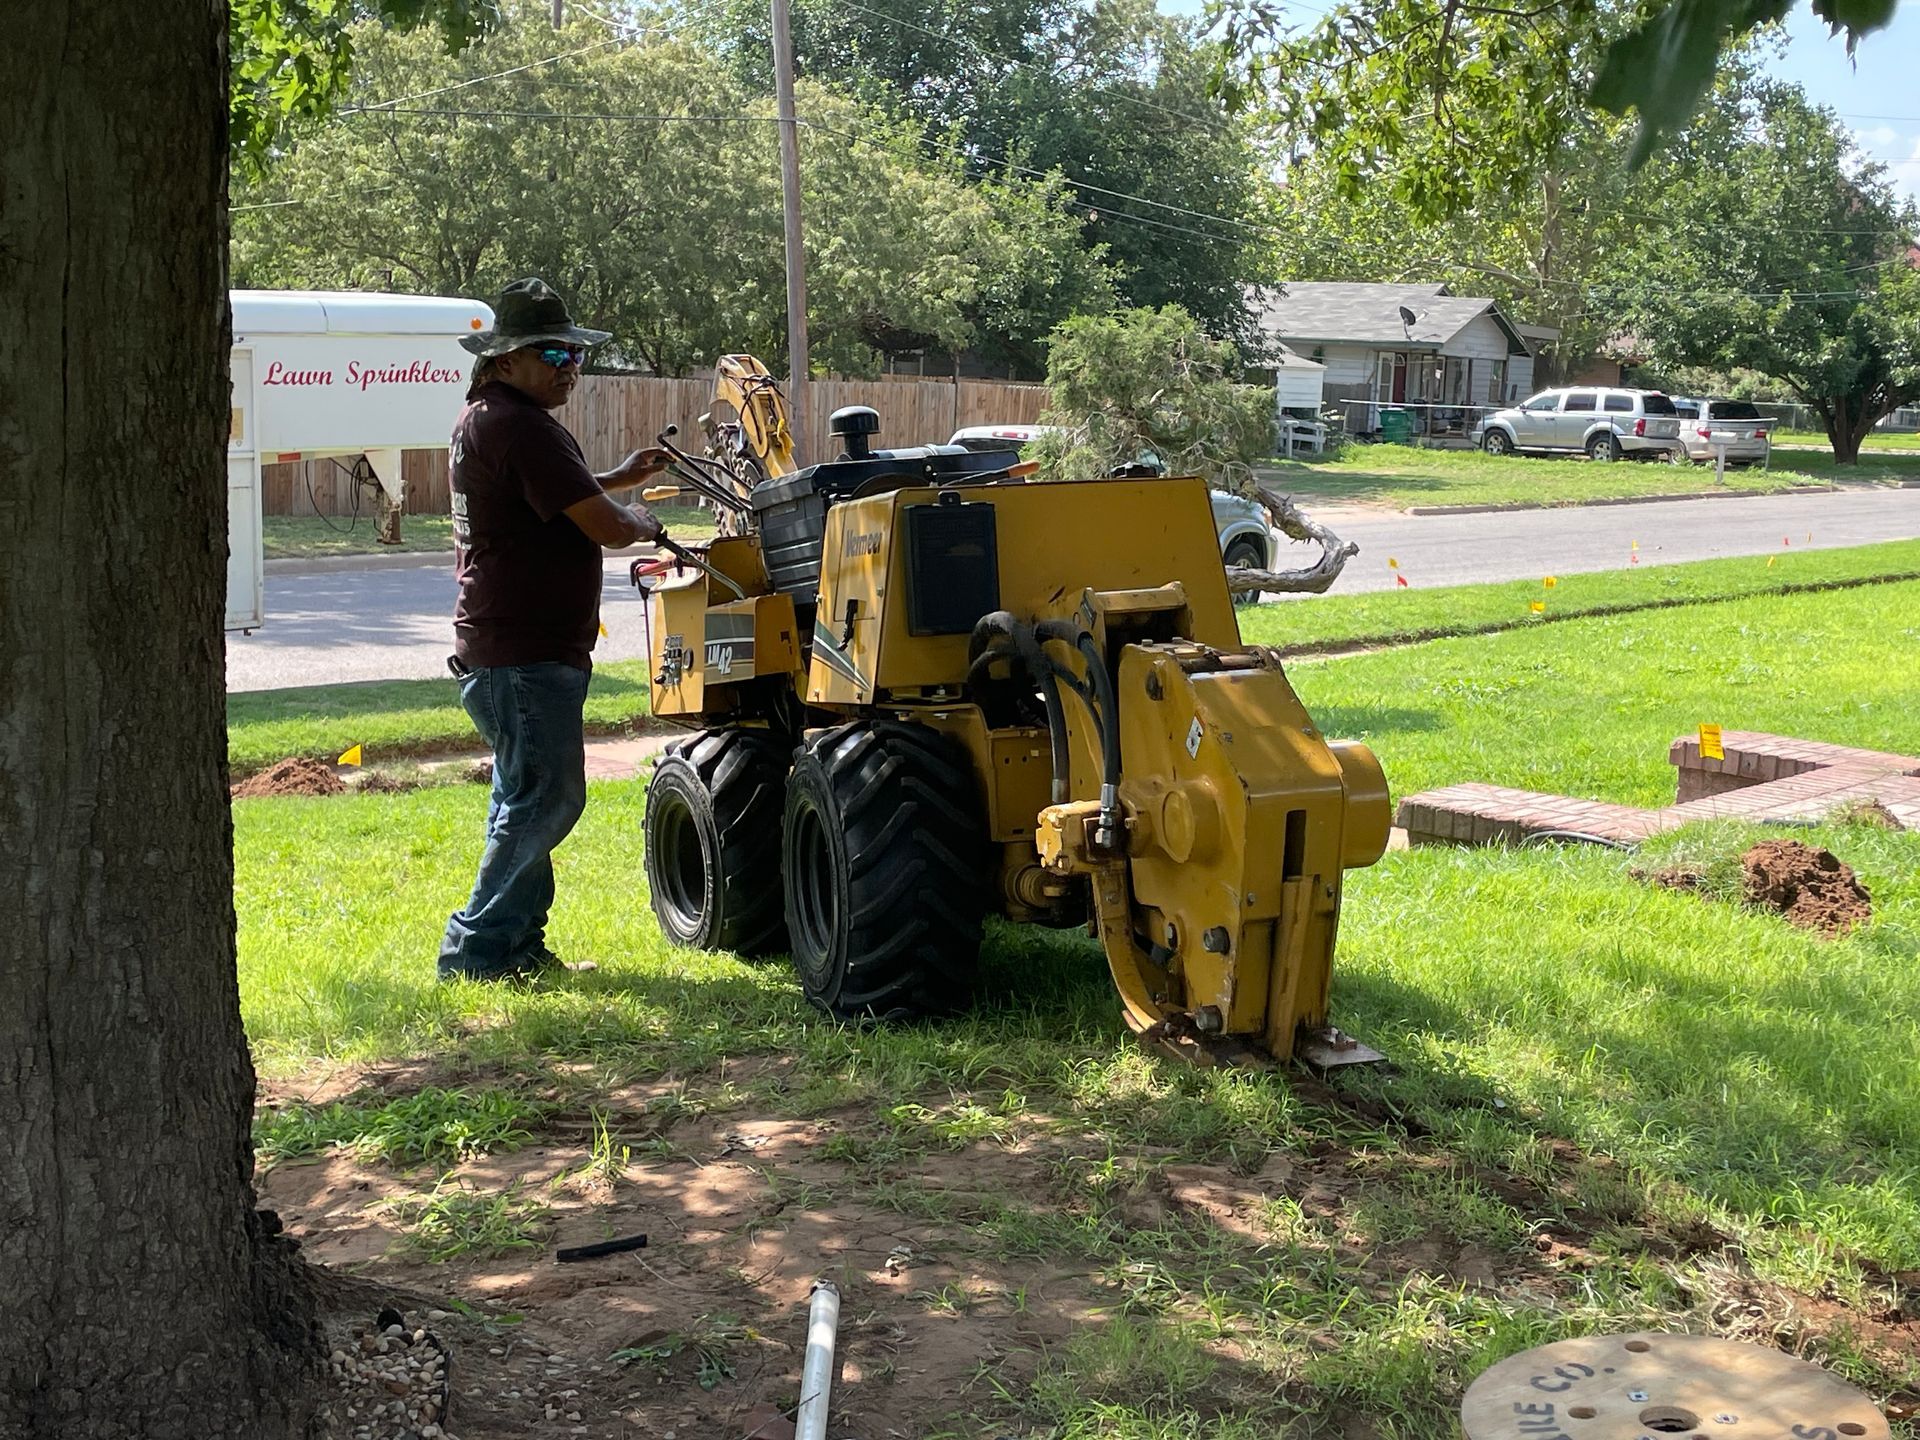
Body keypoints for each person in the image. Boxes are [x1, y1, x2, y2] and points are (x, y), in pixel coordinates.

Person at [438, 277, 669, 982]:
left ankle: (518, 951)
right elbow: (601, 525)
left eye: (575, 356)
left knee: (523, 800)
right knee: (547, 798)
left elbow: (548, 497)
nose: (569, 369)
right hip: (523, 653)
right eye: (553, 355)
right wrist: (644, 523)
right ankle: (476, 952)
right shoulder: (520, 425)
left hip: (507, 649)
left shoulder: (492, 418)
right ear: (504, 359)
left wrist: (617, 478)